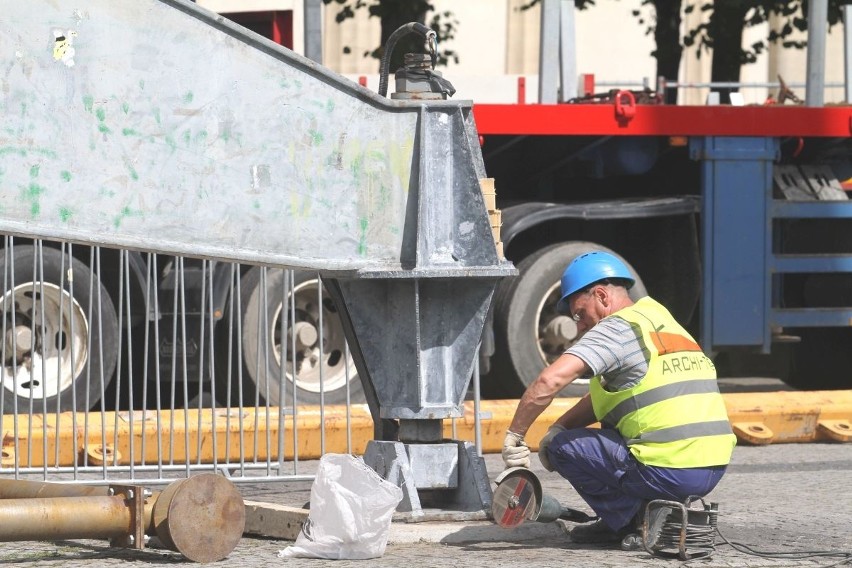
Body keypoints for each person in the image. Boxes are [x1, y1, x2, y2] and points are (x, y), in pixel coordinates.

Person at [501, 251, 736, 546]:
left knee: (563, 449)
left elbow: (551, 379)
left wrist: (515, 434)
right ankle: (657, 511)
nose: (580, 326)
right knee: (568, 437)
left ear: (601, 296)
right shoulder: (660, 319)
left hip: (669, 469)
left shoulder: (615, 328)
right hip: (712, 467)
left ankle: (632, 521)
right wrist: (558, 426)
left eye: (579, 314)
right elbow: (615, 396)